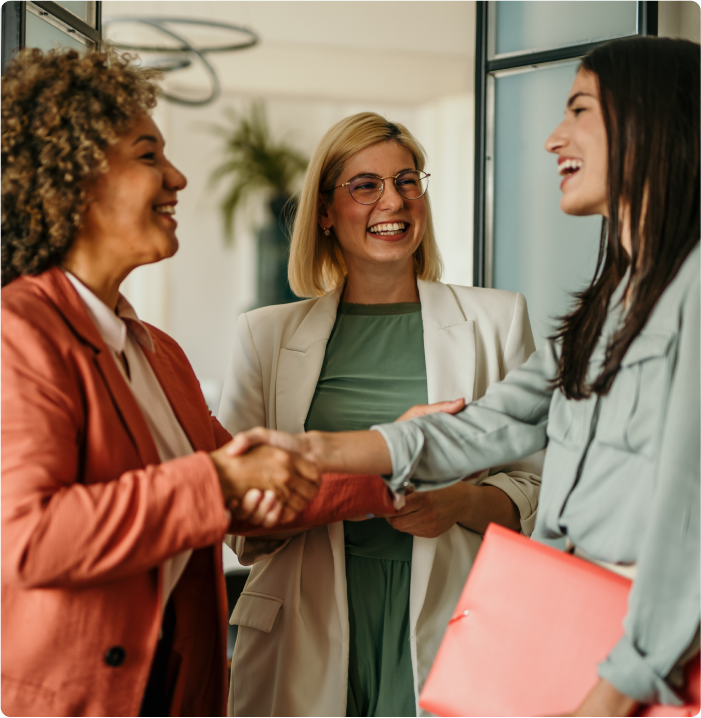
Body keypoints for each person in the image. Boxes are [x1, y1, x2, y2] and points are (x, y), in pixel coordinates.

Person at [229, 37, 701, 716]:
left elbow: (686, 514)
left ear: (649, 123)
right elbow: (487, 426)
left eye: (577, 110)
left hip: (638, 656)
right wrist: (310, 449)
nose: (550, 138)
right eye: (364, 184)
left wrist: (613, 690)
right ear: (324, 213)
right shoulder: (608, 300)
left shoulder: (686, 290)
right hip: (565, 630)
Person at [0, 48, 322, 717]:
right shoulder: (18, 333)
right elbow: (29, 538)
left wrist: (400, 455)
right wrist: (223, 483)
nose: (177, 177)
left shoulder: (156, 351)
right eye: (148, 155)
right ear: (74, 178)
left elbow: (243, 478)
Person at [219, 112, 542, 716]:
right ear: (323, 211)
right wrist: (352, 489)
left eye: (407, 181)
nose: (393, 200)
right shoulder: (263, 335)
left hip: (458, 614)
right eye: (364, 185)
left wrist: (458, 505)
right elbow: (238, 519)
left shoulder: (498, 321)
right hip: (301, 622)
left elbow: (539, 487)